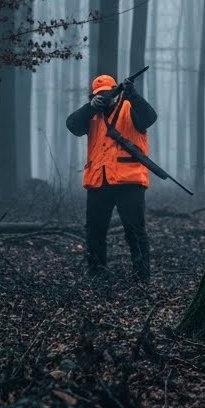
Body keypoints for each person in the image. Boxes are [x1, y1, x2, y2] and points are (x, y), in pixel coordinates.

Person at [66, 73, 158, 283]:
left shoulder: (130, 108)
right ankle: (97, 277)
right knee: (95, 233)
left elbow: (149, 118)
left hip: (130, 182)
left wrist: (133, 95)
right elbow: (72, 125)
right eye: (99, 95)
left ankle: (142, 278)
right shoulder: (91, 115)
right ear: (93, 96)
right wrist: (89, 107)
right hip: (98, 182)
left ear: (115, 93)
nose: (104, 97)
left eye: (107, 93)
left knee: (135, 232)